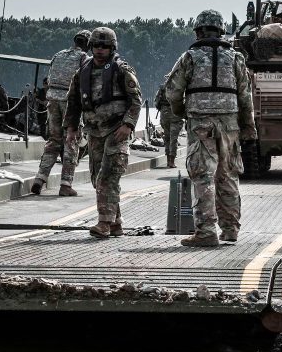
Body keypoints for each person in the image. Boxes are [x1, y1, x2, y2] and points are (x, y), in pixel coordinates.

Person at [166, 9, 255, 247]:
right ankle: (230, 229)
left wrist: (180, 111)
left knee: (203, 176)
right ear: (221, 30)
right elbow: (246, 96)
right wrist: (248, 127)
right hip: (230, 123)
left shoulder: (190, 57)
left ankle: (206, 231)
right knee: (228, 174)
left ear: (198, 31)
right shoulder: (235, 58)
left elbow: (173, 91)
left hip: (200, 123)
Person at [64, 26, 141, 238]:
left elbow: (135, 101)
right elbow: (73, 102)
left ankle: (104, 223)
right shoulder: (82, 74)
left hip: (116, 130)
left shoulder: (122, 70)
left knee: (108, 177)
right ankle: (115, 223)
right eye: (96, 46)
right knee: (97, 178)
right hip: (94, 131)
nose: (99, 50)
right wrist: (71, 128)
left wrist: (128, 125)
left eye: (104, 46)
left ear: (112, 48)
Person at [32, 30, 90, 196]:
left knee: (53, 141)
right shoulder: (84, 58)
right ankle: (66, 184)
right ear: (88, 44)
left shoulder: (58, 55)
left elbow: (50, 79)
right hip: (70, 102)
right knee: (71, 141)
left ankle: (40, 179)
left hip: (52, 101)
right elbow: (85, 83)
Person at [154, 77, 183, 168]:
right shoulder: (178, 87)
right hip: (175, 114)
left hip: (164, 114)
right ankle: (172, 161)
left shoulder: (163, 88)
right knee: (173, 139)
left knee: (167, 138)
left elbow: (156, 103)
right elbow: (183, 101)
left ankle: (168, 160)